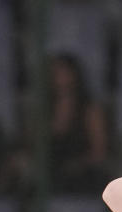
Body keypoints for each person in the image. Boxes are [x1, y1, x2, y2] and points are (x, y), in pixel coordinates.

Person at [47, 53, 110, 193]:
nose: (58, 78)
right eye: (54, 73)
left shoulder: (90, 110)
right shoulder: (45, 110)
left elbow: (99, 152)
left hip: (81, 173)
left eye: (62, 73)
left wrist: (78, 165)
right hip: (50, 170)